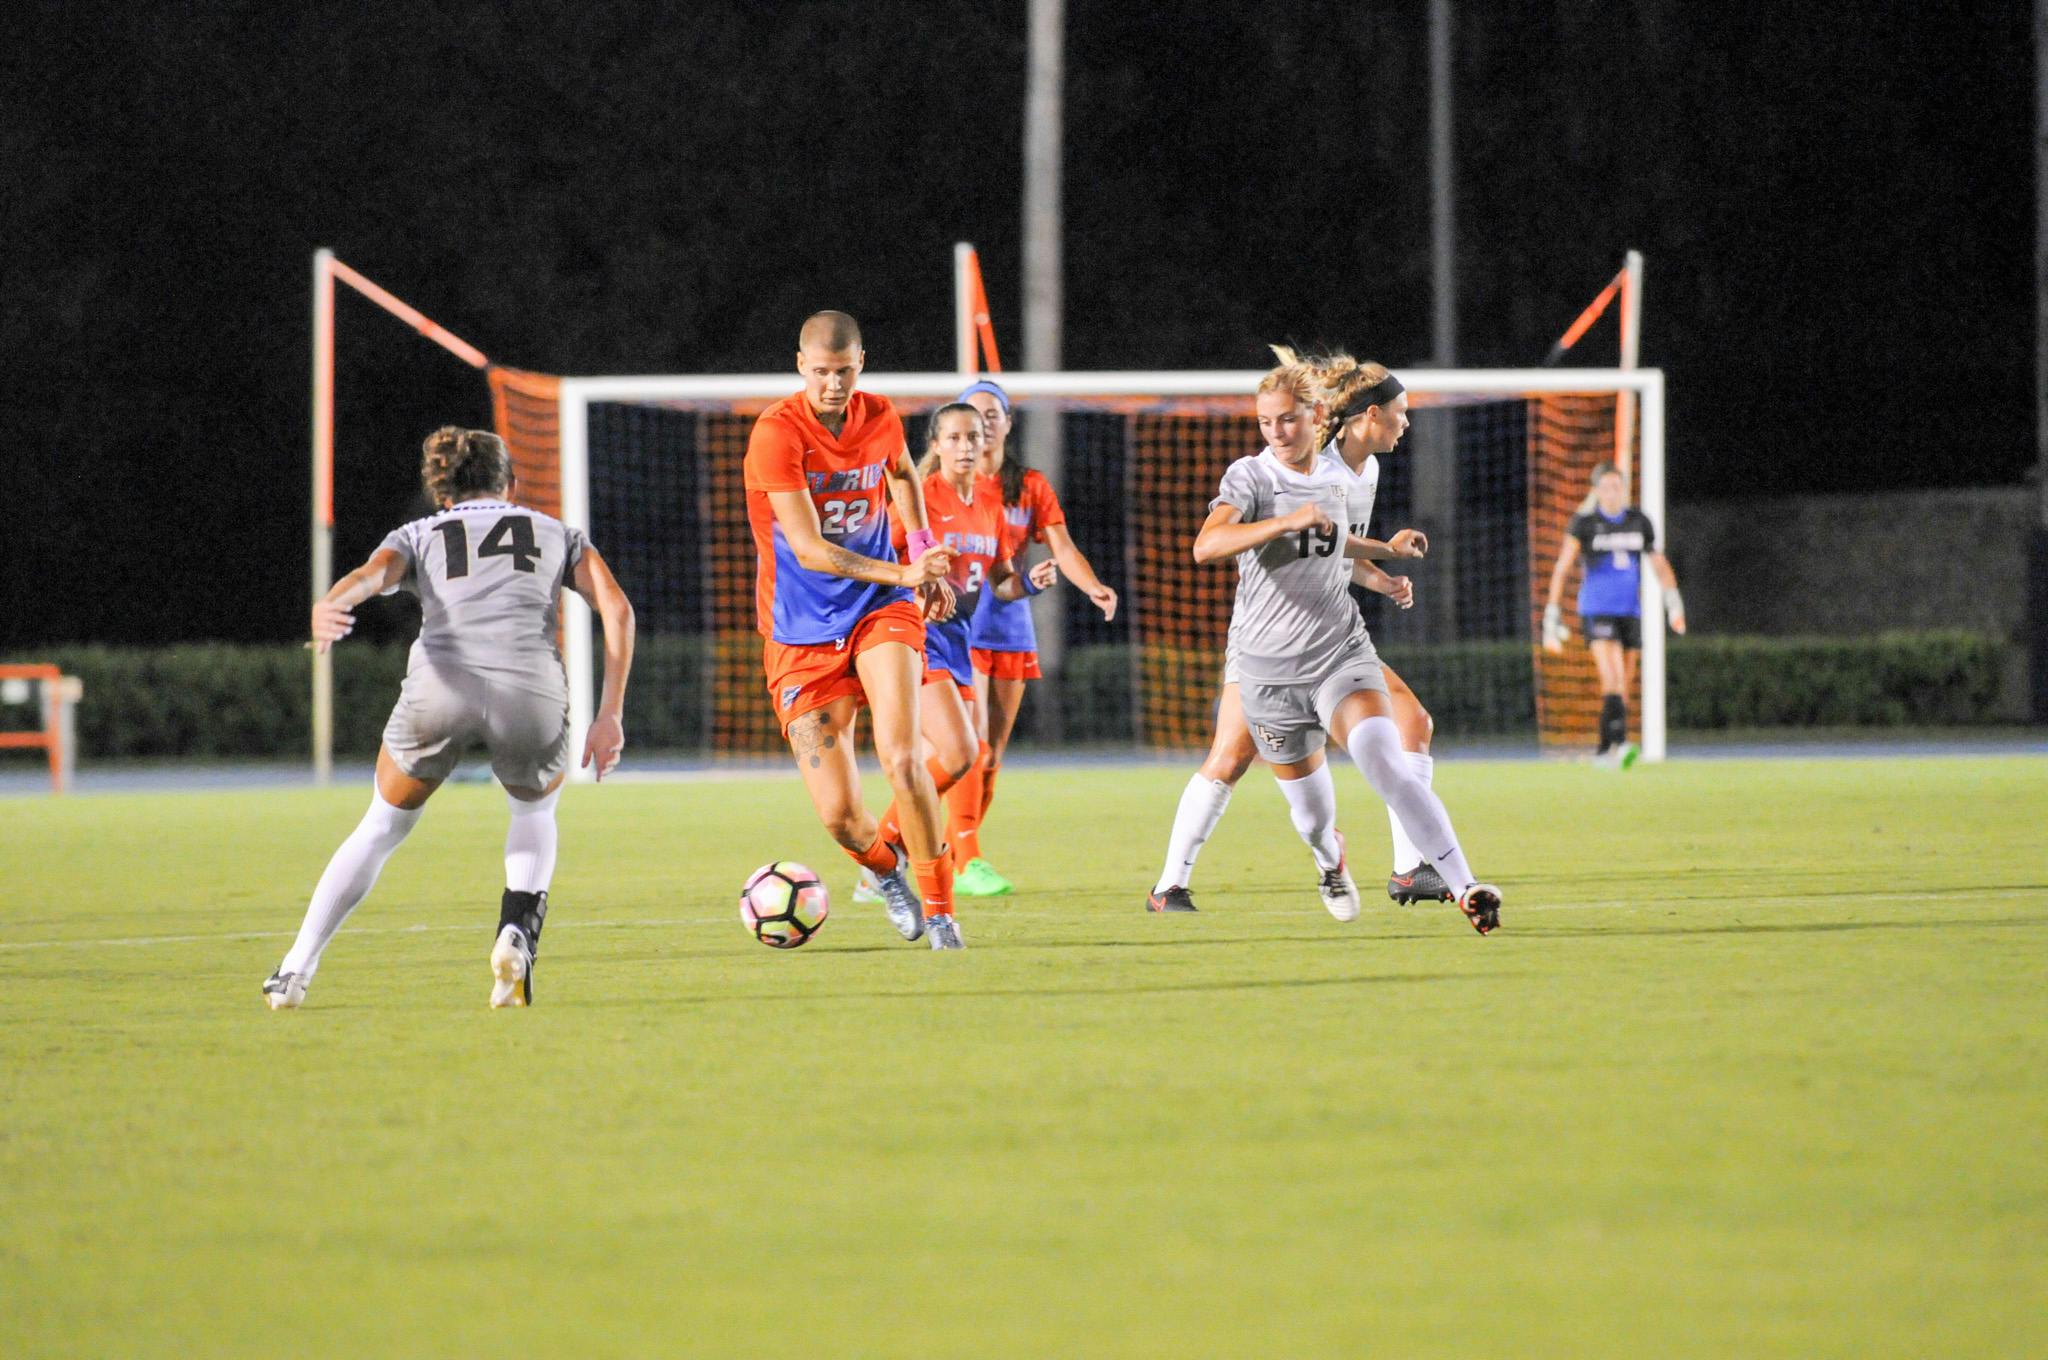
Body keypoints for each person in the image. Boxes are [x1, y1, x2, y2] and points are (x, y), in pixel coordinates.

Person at [263, 426, 636, 1010]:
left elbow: (371, 577)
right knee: (533, 810)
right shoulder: (557, 532)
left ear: (443, 495)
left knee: (382, 826)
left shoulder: (417, 532)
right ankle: (516, 931)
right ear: (511, 485)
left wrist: (331, 603)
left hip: (441, 685)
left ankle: (294, 969)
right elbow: (615, 607)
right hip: (529, 691)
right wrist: (609, 712)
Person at [1158, 352, 1502, 934]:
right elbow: (1206, 547)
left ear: (1316, 416)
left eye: (1286, 419)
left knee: (1390, 749)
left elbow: (1333, 544)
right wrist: (1284, 524)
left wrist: (1383, 558)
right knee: (1297, 808)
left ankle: (1461, 884)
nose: (1276, 431)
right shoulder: (1252, 475)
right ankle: (1320, 861)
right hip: (1266, 660)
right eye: (1267, 422)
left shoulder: (1344, 478)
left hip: (1339, 651)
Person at [743, 311, 967, 949]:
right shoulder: (776, 435)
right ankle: (886, 871)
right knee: (841, 817)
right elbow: (810, 550)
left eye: (843, 371)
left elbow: (901, 473)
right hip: (800, 631)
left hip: (878, 609)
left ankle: (943, 913)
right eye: (820, 372)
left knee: (901, 758)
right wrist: (907, 569)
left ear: (860, 362)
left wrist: (921, 548)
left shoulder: (881, 416)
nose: (833, 384)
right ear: (800, 366)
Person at [853, 403, 1060, 907]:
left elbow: (1001, 583)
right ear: (936, 445)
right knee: (962, 752)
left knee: (954, 759)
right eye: (955, 438)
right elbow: (886, 561)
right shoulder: (920, 499)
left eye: (975, 436)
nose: (967, 446)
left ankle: (878, 865)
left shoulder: (990, 505)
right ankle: (881, 859)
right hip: (916, 637)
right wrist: (917, 580)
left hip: (958, 642)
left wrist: (1029, 583)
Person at [951, 379, 1118, 895]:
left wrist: (1092, 586)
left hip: (1010, 619)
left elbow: (1062, 548)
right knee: (970, 746)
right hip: (959, 624)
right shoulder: (946, 484)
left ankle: (937, 847)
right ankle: (965, 860)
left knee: (993, 755)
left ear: (1005, 423)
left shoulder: (1027, 486)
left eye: (993, 414)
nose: (984, 425)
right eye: (974, 416)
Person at [1541, 461, 1687, 766]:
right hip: (1597, 610)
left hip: (1630, 613)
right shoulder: (1584, 523)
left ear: (1624, 488)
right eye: (1605, 487)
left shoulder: (1639, 521)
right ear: (1596, 491)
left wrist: (1673, 602)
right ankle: (1620, 746)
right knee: (1613, 677)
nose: (1612, 492)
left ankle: (1603, 750)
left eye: (1616, 486)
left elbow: (1658, 564)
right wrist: (1552, 613)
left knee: (1624, 685)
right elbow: (1563, 568)